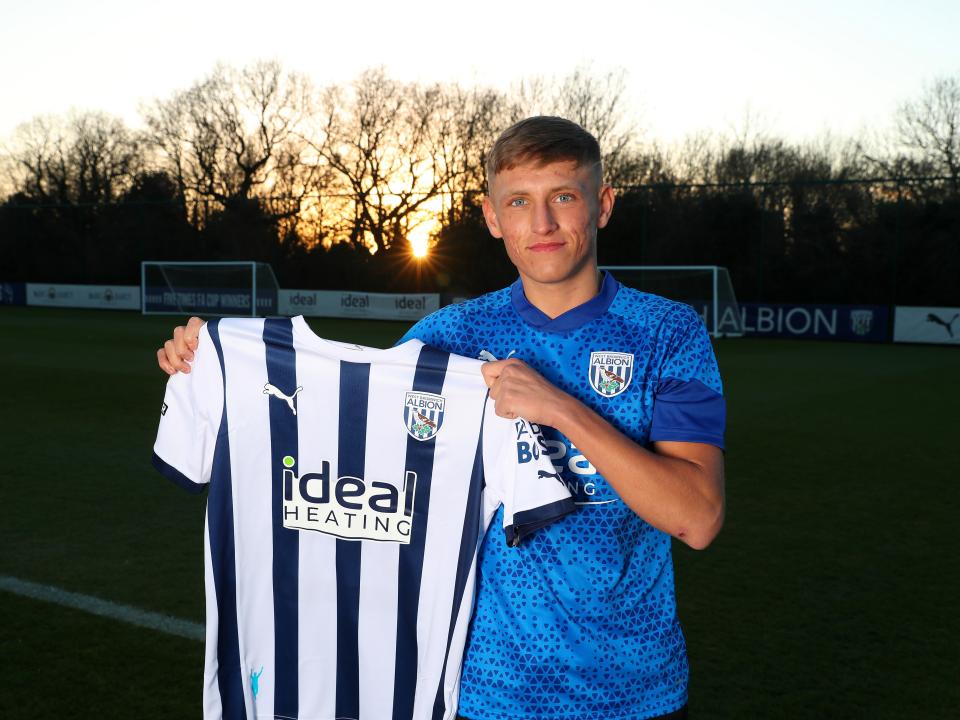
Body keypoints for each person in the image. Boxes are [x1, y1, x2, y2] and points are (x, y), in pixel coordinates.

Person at [158, 116, 725, 720]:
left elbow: (698, 518)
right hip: (483, 693)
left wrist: (560, 408)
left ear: (603, 204)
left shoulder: (667, 332)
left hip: (637, 690)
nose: (542, 223)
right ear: (492, 216)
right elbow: (346, 439)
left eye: (564, 196)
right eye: (519, 202)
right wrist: (209, 364)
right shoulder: (448, 338)